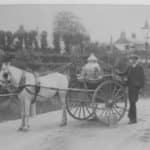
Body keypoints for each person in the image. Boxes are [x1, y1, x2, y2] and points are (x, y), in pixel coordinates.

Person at [118, 54, 145, 124]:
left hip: (136, 88)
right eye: (132, 59)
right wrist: (118, 73)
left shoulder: (140, 68)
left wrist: (141, 88)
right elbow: (124, 73)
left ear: (136, 60)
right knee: (132, 103)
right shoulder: (129, 67)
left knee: (133, 103)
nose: (132, 60)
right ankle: (132, 118)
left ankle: (133, 119)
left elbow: (143, 78)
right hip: (130, 87)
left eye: (134, 59)